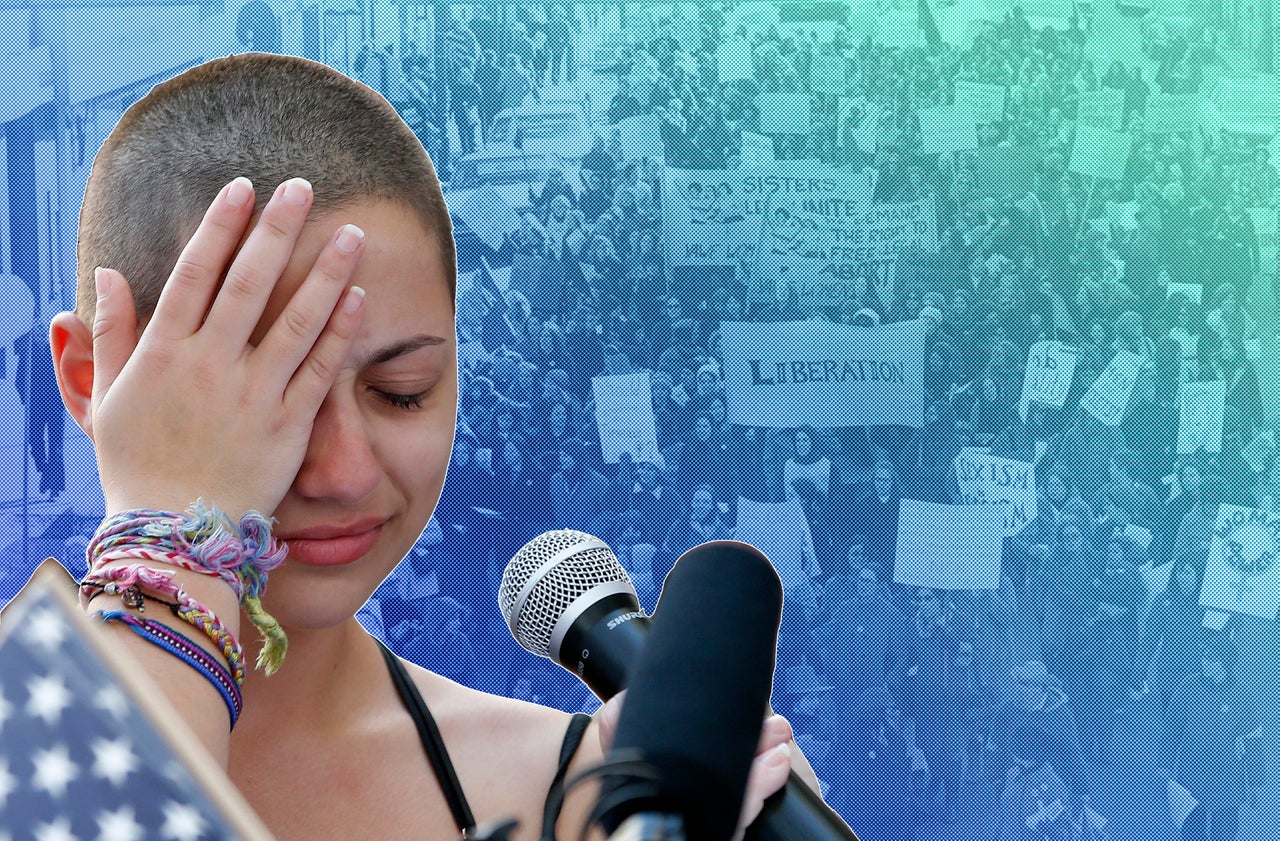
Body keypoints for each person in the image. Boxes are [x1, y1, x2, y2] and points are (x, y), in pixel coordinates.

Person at [42, 54, 821, 841]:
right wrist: (175, 543)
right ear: (91, 379)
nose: (344, 472)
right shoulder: (33, 748)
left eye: (403, 390)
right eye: (271, 395)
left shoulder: (582, 797)